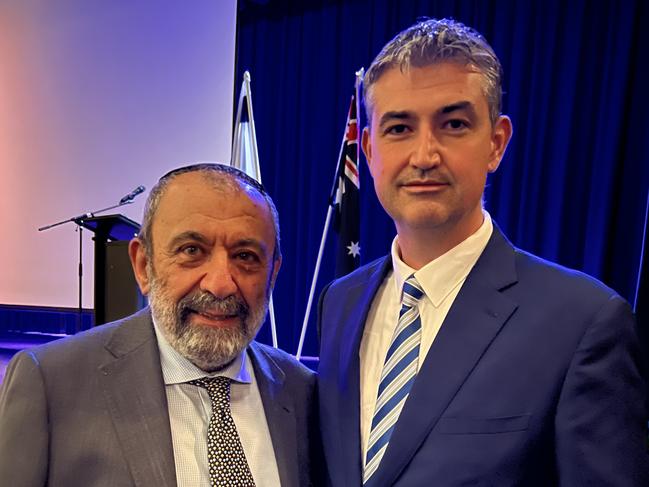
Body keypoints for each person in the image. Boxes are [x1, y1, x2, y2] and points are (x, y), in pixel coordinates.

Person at [317, 18, 649, 486]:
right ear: (369, 149)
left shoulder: (583, 324)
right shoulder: (340, 303)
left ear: (496, 143)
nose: (424, 155)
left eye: (453, 124)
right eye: (399, 128)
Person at [0, 163, 321, 487]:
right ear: (143, 266)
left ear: (272, 274)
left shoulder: (303, 391)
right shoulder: (51, 383)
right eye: (192, 251)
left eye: (246, 256)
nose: (220, 284)